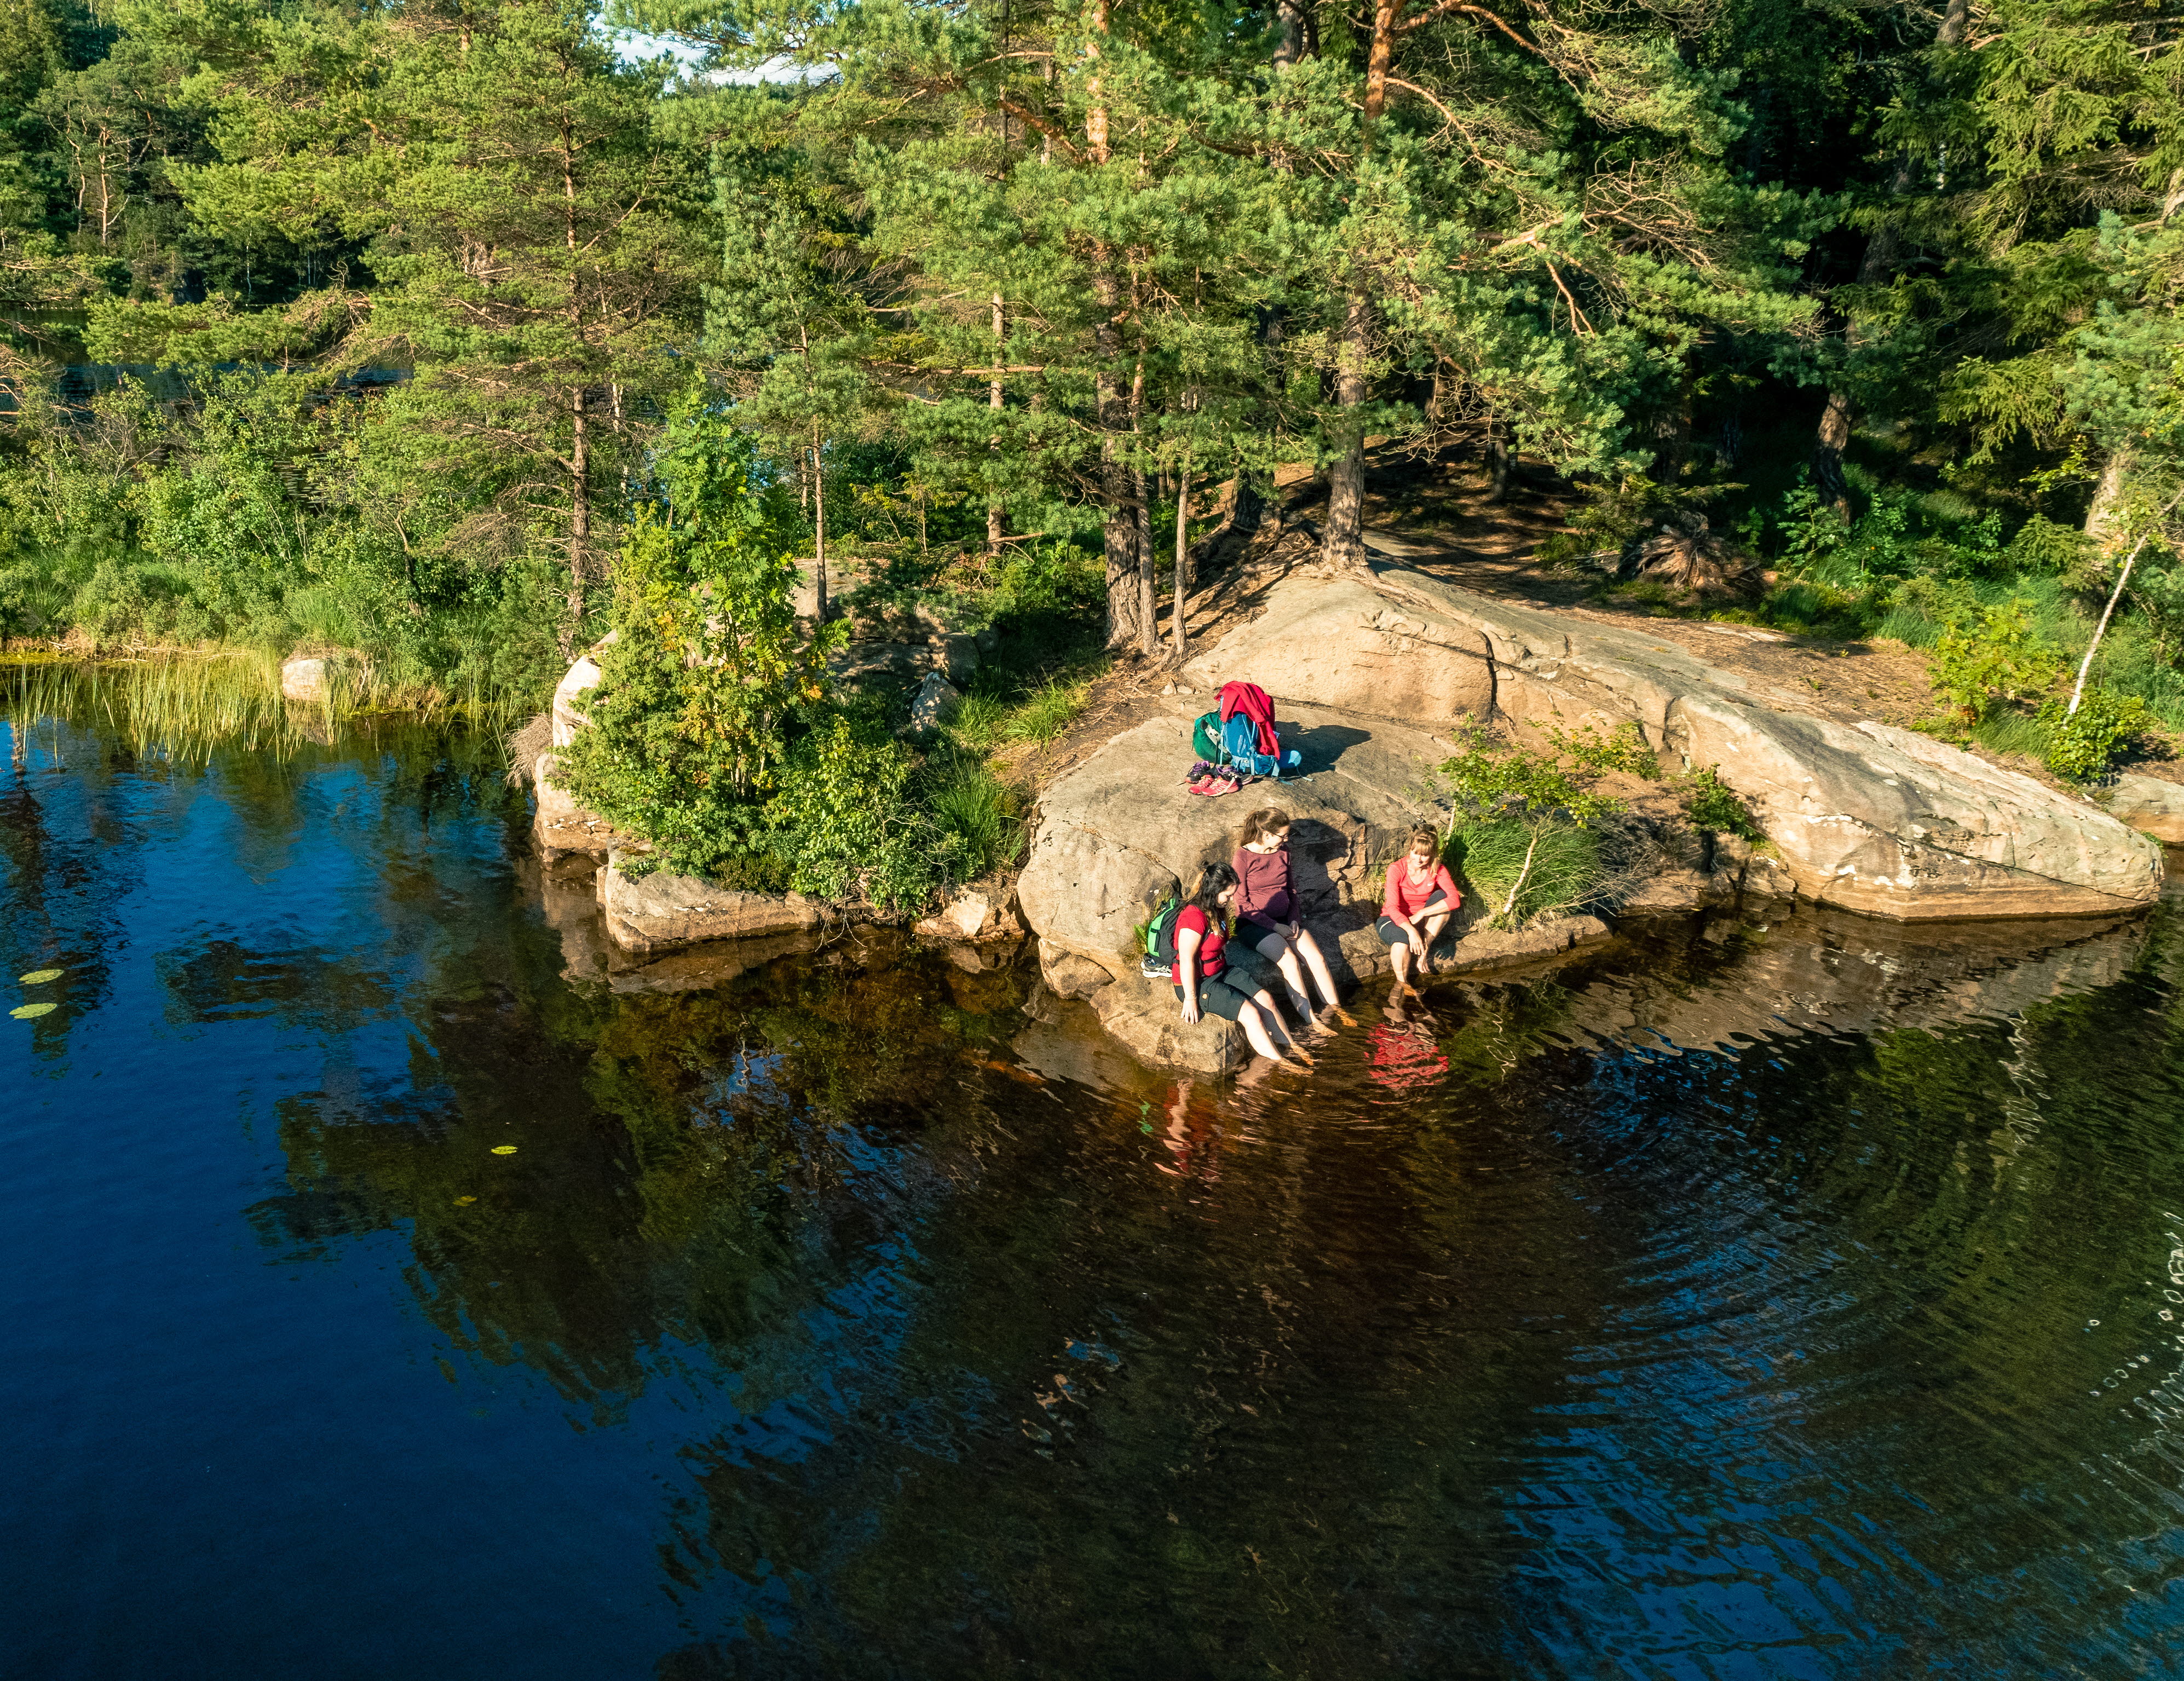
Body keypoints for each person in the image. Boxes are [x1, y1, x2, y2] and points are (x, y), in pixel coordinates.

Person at [1172, 861, 1311, 1068]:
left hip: (1221, 970)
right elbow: (1186, 960)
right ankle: (1283, 1064)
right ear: (1213, 891)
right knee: (1251, 1014)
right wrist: (1191, 999)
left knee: (1267, 1000)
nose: (1230, 900)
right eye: (1227, 895)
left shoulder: (1216, 909)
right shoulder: (1194, 917)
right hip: (1198, 981)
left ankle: (1293, 1048)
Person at [1231, 807, 1355, 1029]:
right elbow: (1241, 903)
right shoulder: (1243, 857)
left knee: (1317, 958)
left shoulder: (1284, 852)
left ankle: (1337, 1010)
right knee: (1290, 961)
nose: (1286, 839)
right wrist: (1275, 927)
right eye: (1283, 835)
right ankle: (1312, 1019)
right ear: (1267, 834)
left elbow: (1291, 890)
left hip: (1286, 921)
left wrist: (1294, 918)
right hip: (1254, 924)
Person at [1377, 826, 1460, 999]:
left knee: (1442, 897)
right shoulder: (1396, 869)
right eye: (1416, 853)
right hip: (1393, 919)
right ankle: (1402, 984)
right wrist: (1411, 931)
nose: (1420, 859)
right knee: (1402, 942)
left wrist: (1422, 913)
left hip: (1420, 918)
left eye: (1425, 855)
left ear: (1432, 855)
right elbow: (1392, 907)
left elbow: (1454, 899)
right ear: (1410, 849)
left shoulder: (1437, 869)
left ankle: (1424, 951)